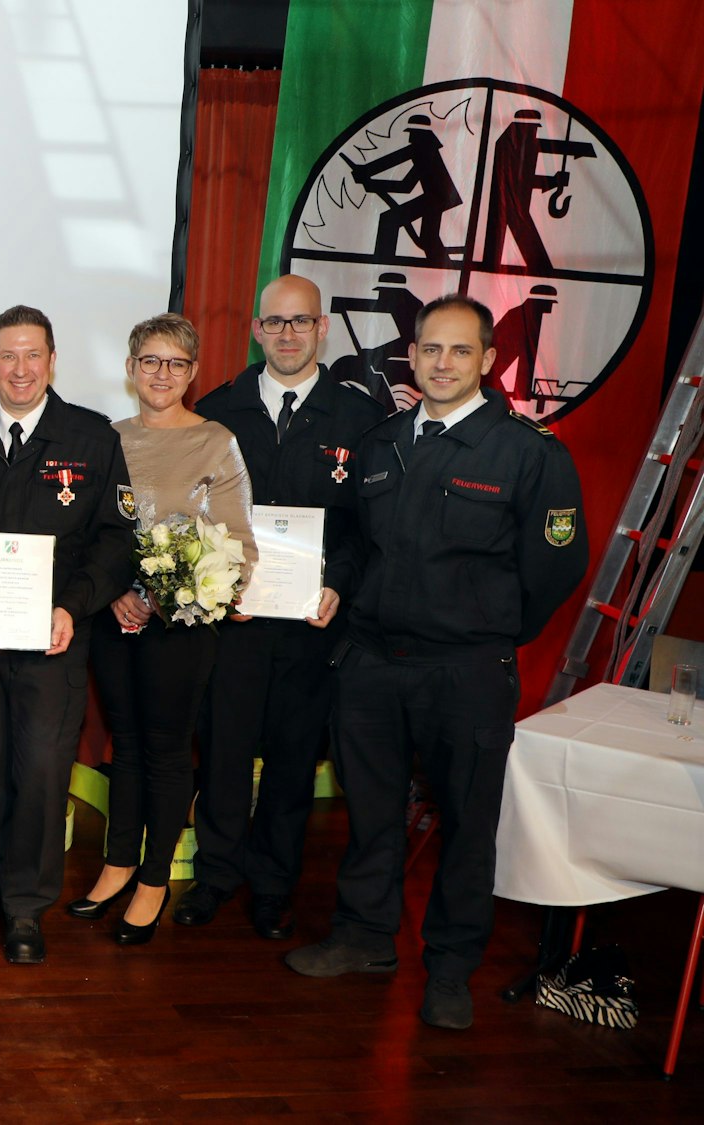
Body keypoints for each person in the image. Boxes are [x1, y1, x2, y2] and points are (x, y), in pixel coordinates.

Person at [286, 294, 587, 1031]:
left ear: (488, 359)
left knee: (466, 824)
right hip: (371, 663)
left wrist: (486, 629)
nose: (442, 363)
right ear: (411, 356)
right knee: (372, 812)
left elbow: (555, 566)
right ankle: (364, 937)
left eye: (459, 350)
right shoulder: (384, 440)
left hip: (466, 671)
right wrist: (336, 583)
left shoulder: (528, 452)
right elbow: (357, 542)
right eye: (430, 349)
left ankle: (450, 968)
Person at [0, 304, 134, 966]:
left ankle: (25, 905)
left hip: (55, 639)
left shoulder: (91, 437)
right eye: (7, 355)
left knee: (42, 773)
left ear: (52, 361)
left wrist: (74, 606)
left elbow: (114, 540)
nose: (20, 368)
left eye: (33, 355)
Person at [183, 274, 383, 941]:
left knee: (295, 761)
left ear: (323, 329)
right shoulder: (218, 411)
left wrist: (341, 583)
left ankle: (272, 884)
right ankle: (214, 875)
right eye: (276, 322)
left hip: (311, 625)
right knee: (223, 755)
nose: (288, 334)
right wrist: (212, 581)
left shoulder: (360, 418)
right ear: (257, 330)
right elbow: (194, 517)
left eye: (302, 322)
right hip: (233, 625)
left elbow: (366, 529)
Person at [66, 314, 252, 945]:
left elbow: (238, 545)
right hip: (114, 618)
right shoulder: (106, 439)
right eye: (150, 361)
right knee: (126, 744)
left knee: (168, 751)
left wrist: (163, 595)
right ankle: (118, 863)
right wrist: (117, 590)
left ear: (193, 373)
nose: (161, 374)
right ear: (130, 368)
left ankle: (152, 879)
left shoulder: (215, 441)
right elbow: (91, 536)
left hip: (183, 626)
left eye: (175, 363)